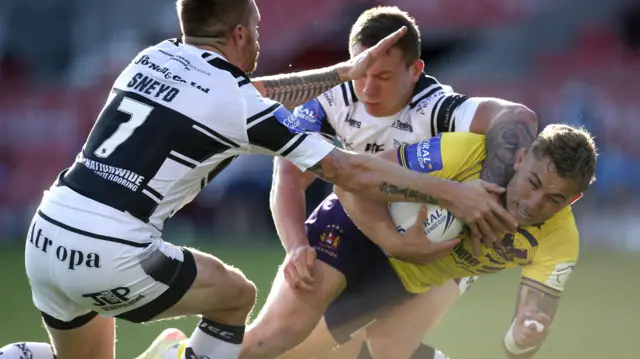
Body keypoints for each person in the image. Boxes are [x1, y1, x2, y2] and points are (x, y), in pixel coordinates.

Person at [0, 1, 520, 359]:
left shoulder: (151, 58)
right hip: (112, 249)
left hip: (47, 232)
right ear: (242, 33)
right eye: (257, 29)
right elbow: (345, 168)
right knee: (236, 297)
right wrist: (455, 193)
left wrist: (343, 72)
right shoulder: (234, 100)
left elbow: (258, 91)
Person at [236, 124, 596, 359]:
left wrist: (524, 335)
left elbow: (524, 334)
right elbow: (354, 181)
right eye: (533, 183)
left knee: (318, 354)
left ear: (573, 201)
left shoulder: (560, 242)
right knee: (271, 340)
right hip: (353, 227)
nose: (532, 205)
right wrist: (394, 240)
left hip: (401, 280)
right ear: (519, 159)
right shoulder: (465, 154)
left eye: (554, 199)